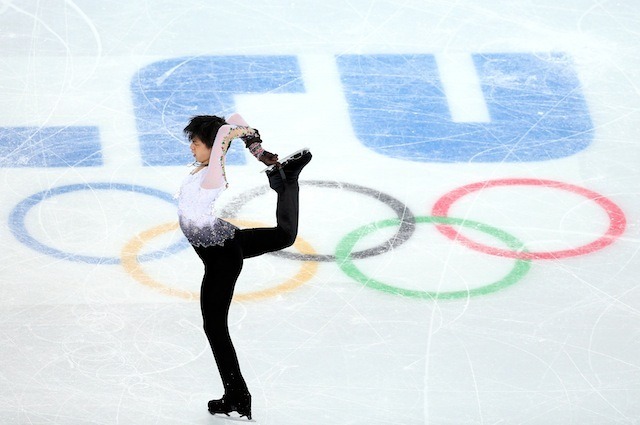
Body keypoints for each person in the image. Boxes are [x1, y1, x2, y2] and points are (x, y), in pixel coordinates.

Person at [175, 113, 311, 420]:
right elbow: (231, 122)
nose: (192, 147)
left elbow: (225, 133)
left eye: (196, 142)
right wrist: (254, 144)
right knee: (284, 236)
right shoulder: (204, 167)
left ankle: (237, 395)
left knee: (215, 327)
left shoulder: (214, 176)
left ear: (212, 146)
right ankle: (286, 179)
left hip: (222, 258)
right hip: (227, 239)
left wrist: (247, 136)